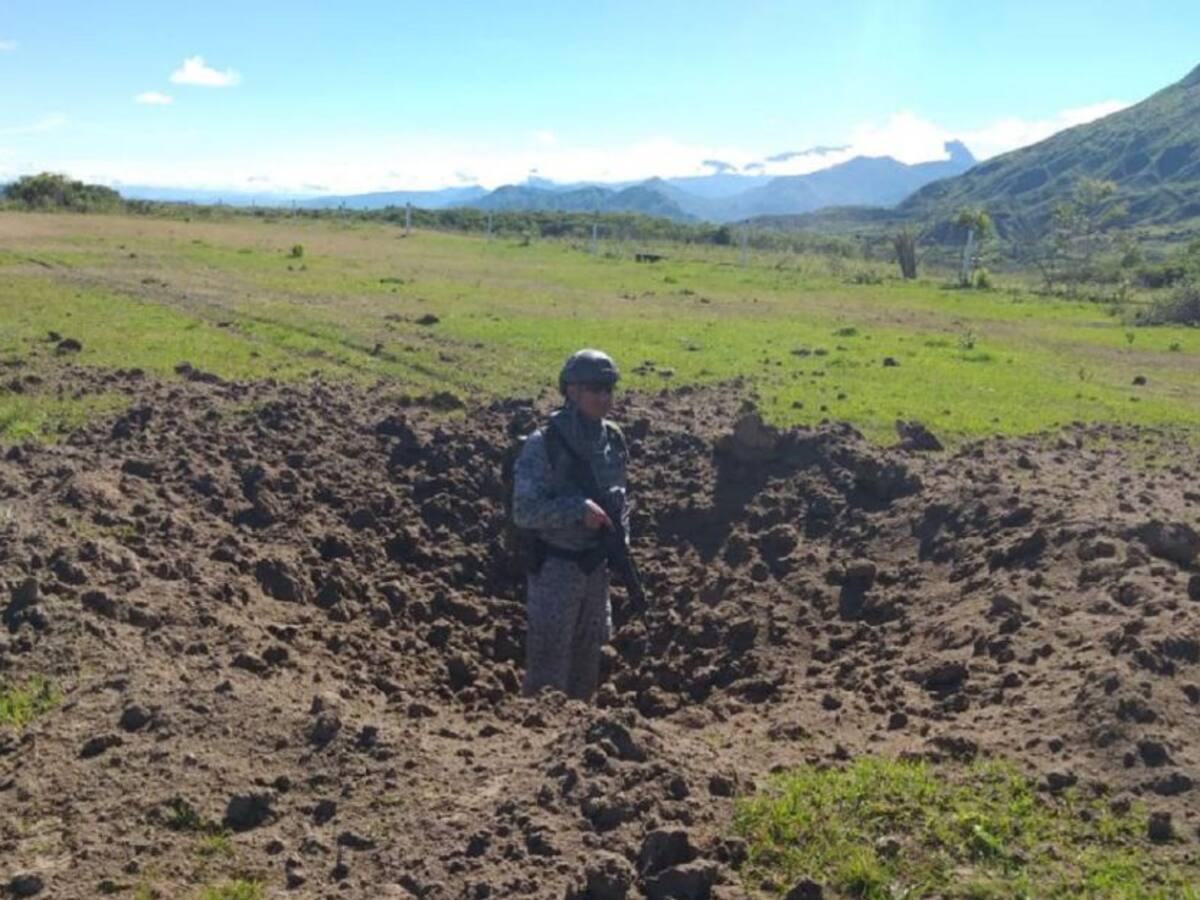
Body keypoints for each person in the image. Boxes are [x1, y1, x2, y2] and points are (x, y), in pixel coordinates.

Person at [512, 348, 629, 701]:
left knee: (587, 666)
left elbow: (620, 499)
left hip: (595, 569)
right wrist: (577, 510)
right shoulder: (544, 444)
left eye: (608, 389)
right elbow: (524, 511)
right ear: (572, 391)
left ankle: (578, 729)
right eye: (595, 389)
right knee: (548, 671)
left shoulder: (613, 440)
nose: (604, 397)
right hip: (556, 569)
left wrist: (620, 541)